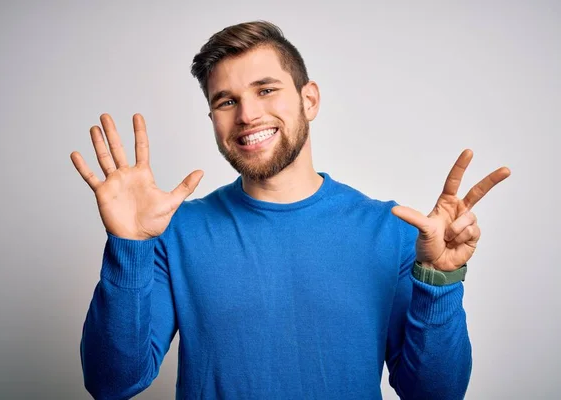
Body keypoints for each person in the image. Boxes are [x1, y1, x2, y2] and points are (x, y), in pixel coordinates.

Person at [71, 21, 510, 400]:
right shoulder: (175, 231)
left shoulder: (392, 231)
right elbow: (113, 383)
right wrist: (127, 246)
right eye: (226, 101)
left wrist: (440, 280)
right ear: (213, 120)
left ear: (310, 100)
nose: (247, 114)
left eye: (266, 90)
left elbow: (435, 393)